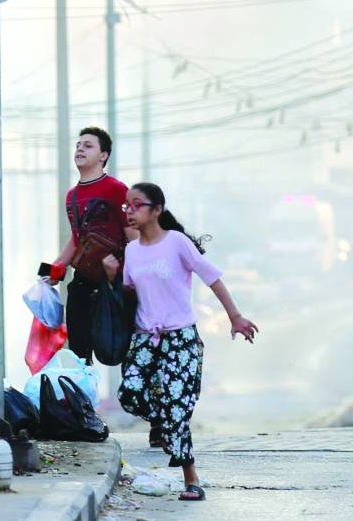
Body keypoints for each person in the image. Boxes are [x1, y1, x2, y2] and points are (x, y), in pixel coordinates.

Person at [102, 182, 258, 502]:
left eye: (137, 205)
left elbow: (211, 277)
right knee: (130, 394)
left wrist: (235, 317)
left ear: (156, 210)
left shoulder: (176, 243)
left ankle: (192, 480)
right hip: (145, 339)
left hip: (180, 338)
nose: (129, 211)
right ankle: (162, 418)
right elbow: (129, 295)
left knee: (177, 411)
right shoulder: (131, 251)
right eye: (126, 206)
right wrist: (110, 277)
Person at [47, 127, 131, 363]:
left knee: (123, 349)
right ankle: (82, 399)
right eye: (78, 145)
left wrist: (132, 278)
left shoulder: (116, 189)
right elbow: (77, 239)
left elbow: (133, 237)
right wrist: (53, 269)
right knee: (78, 357)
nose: (80, 149)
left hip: (114, 283)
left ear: (103, 156)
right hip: (82, 283)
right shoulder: (72, 196)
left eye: (88, 145)